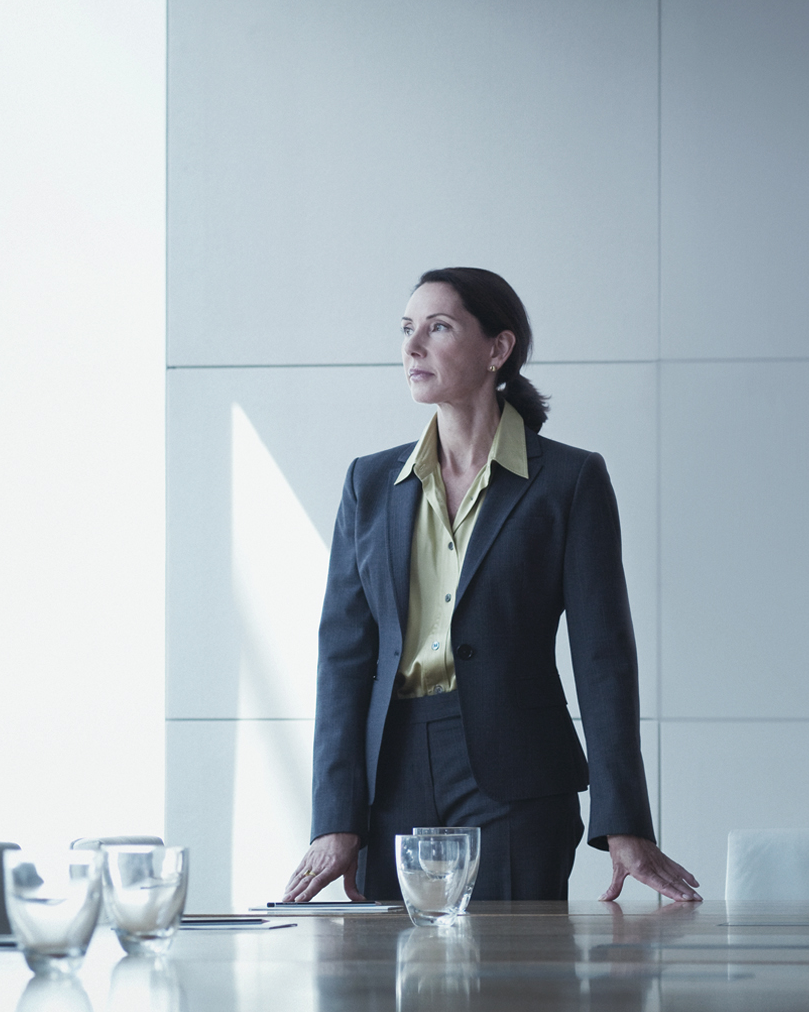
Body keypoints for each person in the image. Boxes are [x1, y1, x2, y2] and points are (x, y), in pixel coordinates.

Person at [282, 267, 699, 905]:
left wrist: (625, 823)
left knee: (517, 994)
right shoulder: (368, 486)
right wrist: (336, 818)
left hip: (518, 781)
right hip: (389, 775)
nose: (412, 346)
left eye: (438, 327)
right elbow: (343, 657)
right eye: (406, 329)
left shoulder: (568, 481)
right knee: (391, 994)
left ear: (497, 350)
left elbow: (602, 657)